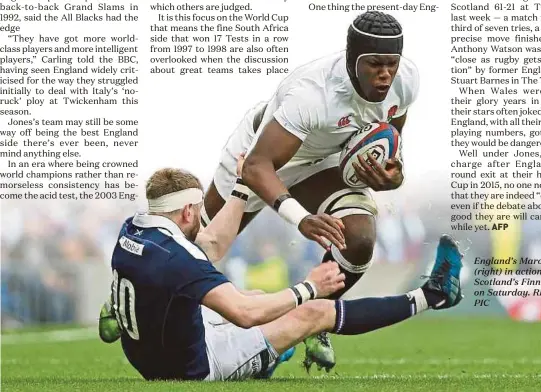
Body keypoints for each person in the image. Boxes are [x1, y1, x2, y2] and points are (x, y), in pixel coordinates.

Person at [201, 11, 419, 370]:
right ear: (351, 60)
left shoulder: (406, 80)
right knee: (193, 249)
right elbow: (257, 167)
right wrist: (301, 219)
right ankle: (123, 292)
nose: (385, 74)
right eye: (374, 64)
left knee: (359, 240)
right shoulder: (313, 94)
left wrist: (394, 176)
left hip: (322, 161)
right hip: (258, 154)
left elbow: (390, 141)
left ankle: (310, 321)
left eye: (391, 64)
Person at [101, 165, 463, 381]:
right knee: (313, 312)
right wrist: (311, 287)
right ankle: (435, 294)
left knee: (257, 296)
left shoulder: (135, 227)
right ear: (186, 212)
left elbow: (209, 245)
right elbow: (244, 316)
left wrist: (243, 187)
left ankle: (272, 352)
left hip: (152, 353)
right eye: (197, 211)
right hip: (192, 368)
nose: (199, 218)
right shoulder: (176, 258)